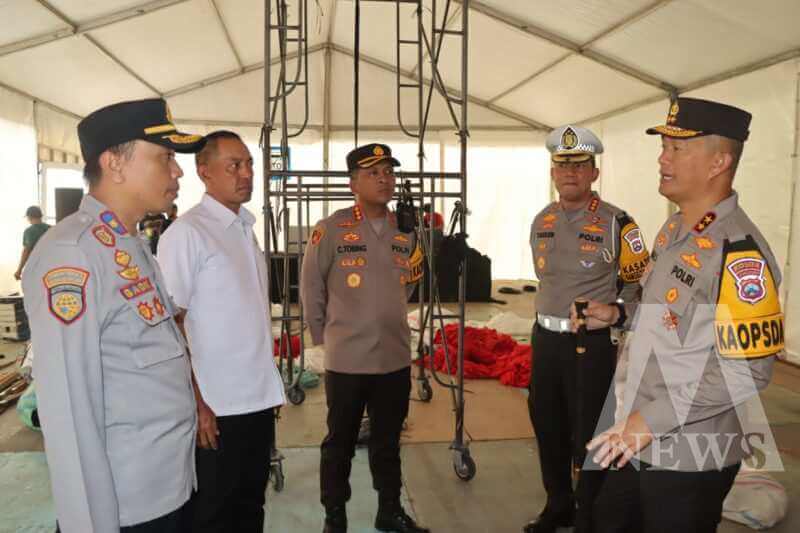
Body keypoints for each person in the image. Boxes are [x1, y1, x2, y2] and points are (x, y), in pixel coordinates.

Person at [579, 98, 784, 532]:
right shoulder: (675, 229)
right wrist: (616, 315)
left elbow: (748, 370)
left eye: (677, 149)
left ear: (718, 163)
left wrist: (647, 422)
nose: (662, 158)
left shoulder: (740, 254)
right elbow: (666, 313)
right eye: (664, 147)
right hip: (634, 434)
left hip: (689, 455)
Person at [22, 98, 206, 532]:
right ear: (115, 164)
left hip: (165, 485)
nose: (178, 171)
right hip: (125, 505)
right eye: (165, 158)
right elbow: (69, 410)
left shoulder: (128, 244)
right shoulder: (74, 254)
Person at [158, 130, 285, 532]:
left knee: (250, 505)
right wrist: (198, 405)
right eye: (234, 165)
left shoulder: (242, 229)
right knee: (213, 513)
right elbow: (170, 326)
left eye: (249, 164)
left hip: (255, 401)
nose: (246, 173)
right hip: (217, 409)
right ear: (204, 172)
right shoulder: (188, 234)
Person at [525, 125, 650, 533]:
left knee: (590, 433)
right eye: (562, 166)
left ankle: (589, 514)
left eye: (579, 165)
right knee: (548, 426)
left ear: (594, 173)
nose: (570, 173)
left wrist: (614, 309)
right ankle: (556, 504)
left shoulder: (619, 224)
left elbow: (640, 288)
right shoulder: (541, 220)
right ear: (552, 172)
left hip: (591, 343)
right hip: (544, 339)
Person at [301, 143, 428, 533]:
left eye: (389, 171)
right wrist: (323, 337)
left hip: (392, 357)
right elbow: (310, 285)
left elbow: (412, 282)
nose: (384, 179)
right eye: (373, 173)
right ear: (353, 181)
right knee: (339, 442)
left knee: (387, 442)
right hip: (347, 358)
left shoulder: (405, 230)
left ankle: (388, 511)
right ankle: (334, 517)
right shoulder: (333, 228)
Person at [14, 206, 51, 280]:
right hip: (50, 266)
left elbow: (26, 252)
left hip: (36, 267)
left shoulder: (29, 231)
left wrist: (19, 270)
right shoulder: (50, 228)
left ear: (29, 216)